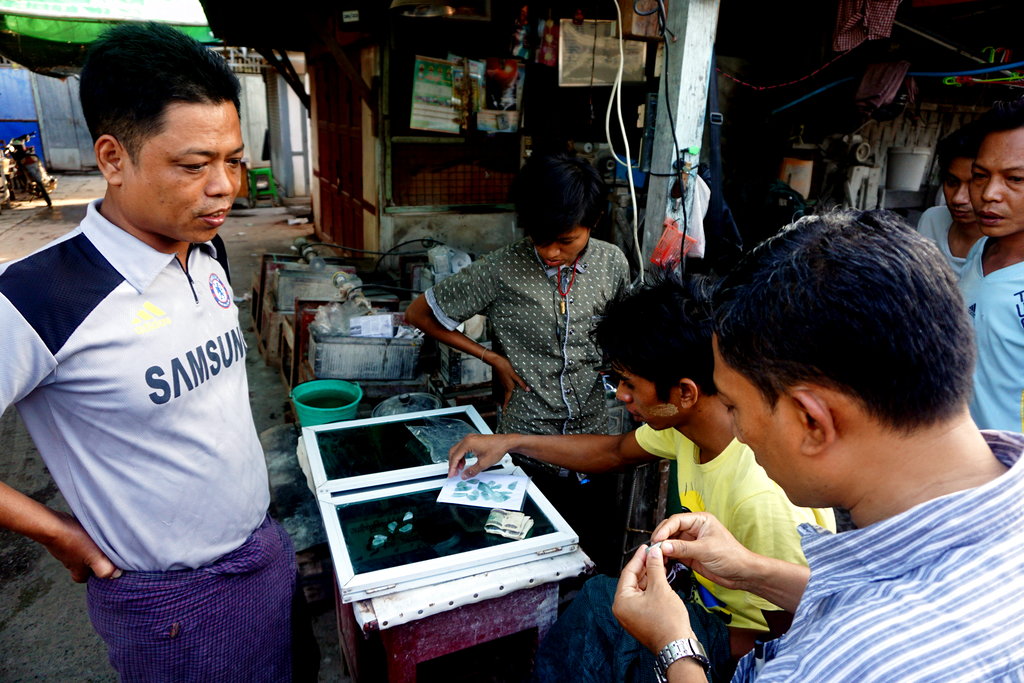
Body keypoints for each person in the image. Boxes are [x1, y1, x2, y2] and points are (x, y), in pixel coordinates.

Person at [0, 23, 310, 681]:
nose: (225, 186)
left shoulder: (206, 251)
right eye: (195, 165)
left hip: (263, 547)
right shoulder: (38, 297)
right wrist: (56, 531)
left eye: (233, 159)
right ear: (113, 158)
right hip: (171, 602)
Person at [613, 209, 1024, 682]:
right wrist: (749, 570)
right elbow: (867, 592)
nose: (739, 433)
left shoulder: (851, 660)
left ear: (811, 420)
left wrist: (676, 648)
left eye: (735, 407)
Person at [448, 279, 834, 682]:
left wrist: (671, 640)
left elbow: (790, 636)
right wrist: (512, 442)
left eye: (630, 383)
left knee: (599, 607)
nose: (620, 395)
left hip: (745, 644)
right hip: (703, 604)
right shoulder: (687, 423)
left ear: (684, 393)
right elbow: (613, 452)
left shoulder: (761, 495)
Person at [405, 152, 630, 570]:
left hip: (595, 447)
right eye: (540, 237)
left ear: (593, 221)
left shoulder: (612, 264)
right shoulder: (500, 269)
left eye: (565, 241)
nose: (550, 252)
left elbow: (625, 337)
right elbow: (420, 314)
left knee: (593, 562)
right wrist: (492, 357)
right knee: (530, 567)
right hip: (525, 453)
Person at [959, 97, 1024, 432]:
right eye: (981, 175)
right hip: (961, 463)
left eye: (1015, 179)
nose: (989, 193)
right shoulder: (982, 249)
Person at [916, 123, 983, 271]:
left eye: (974, 185)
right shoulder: (931, 221)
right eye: (952, 182)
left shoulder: (1007, 245)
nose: (958, 198)